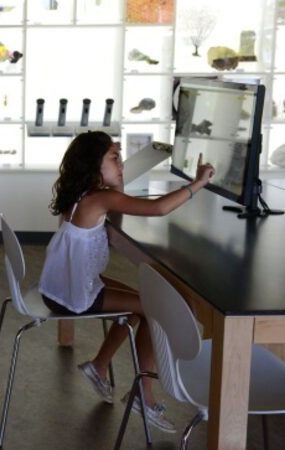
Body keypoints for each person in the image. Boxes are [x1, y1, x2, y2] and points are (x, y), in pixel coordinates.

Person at [39, 130, 215, 433]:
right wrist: (197, 184)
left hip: (60, 285)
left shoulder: (82, 194)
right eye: (114, 158)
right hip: (74, 293)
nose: (122, 163)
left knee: (136, 304)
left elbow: (115, 222)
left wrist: (116, 175)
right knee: (153, 309)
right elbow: (158, 208)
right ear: (94, 166)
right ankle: (143, 397)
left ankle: (99, 366)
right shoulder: (101, 197)